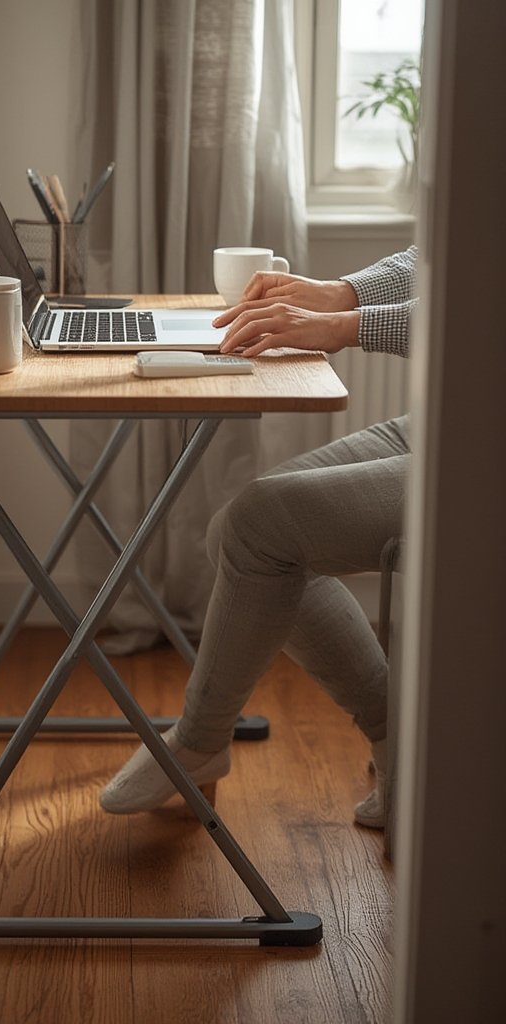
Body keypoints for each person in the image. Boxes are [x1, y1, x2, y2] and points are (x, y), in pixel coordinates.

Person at [100, 246, 418, 829]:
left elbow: (477, 312)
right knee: (235, 529)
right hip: (443, 419)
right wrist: (338, 292)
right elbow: (445, 257)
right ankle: (399, 733)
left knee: (259, 527)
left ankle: (198, 741)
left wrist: (344, 325)